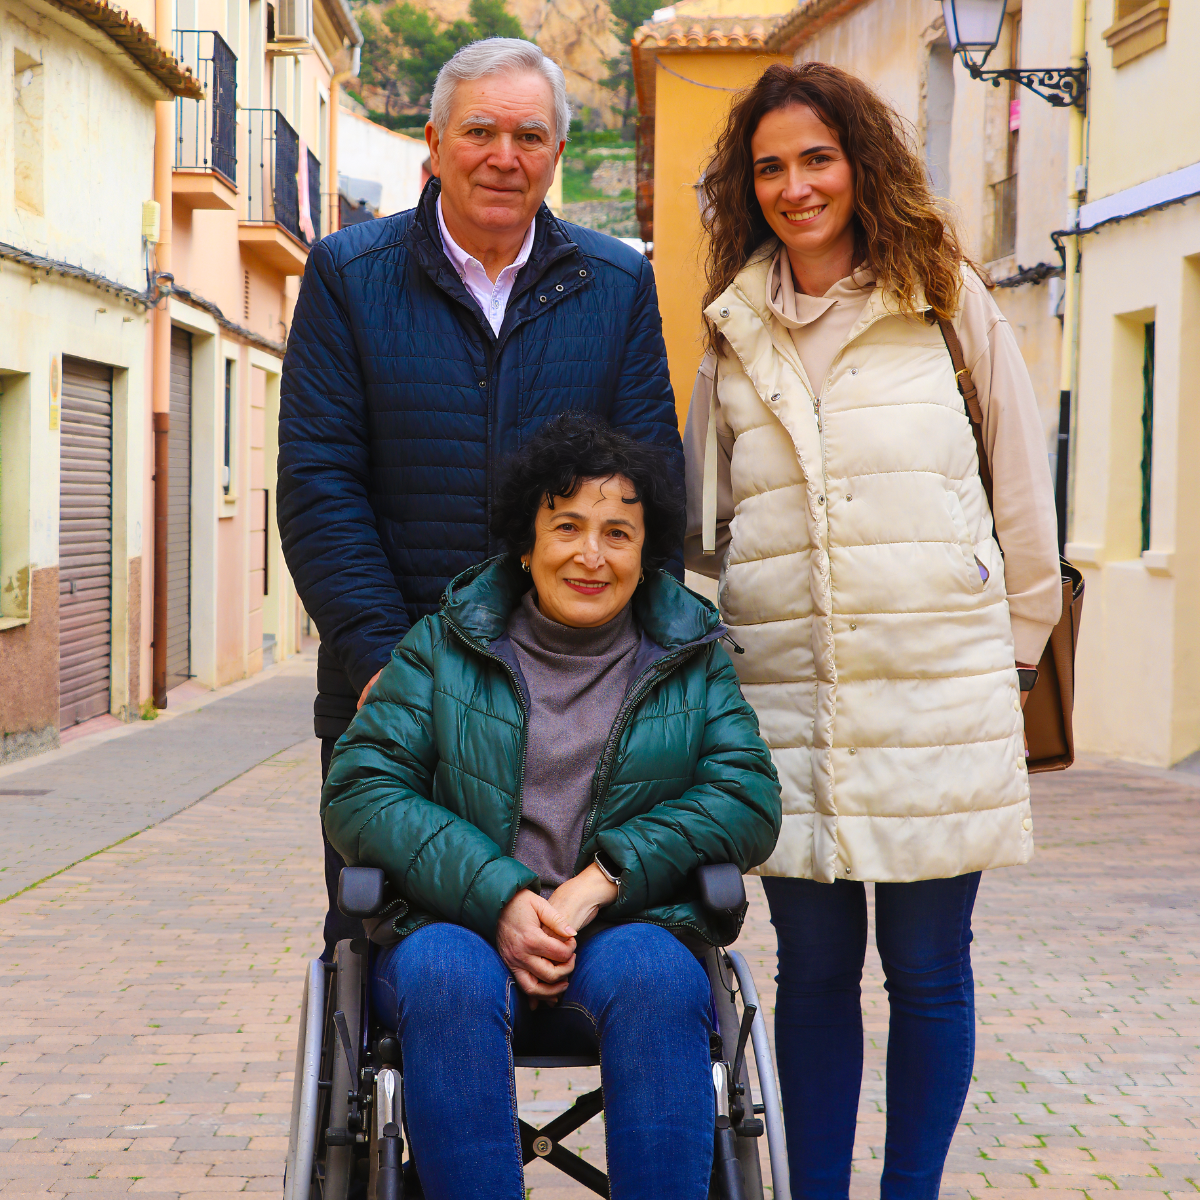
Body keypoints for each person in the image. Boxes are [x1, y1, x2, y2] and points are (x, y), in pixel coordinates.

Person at [682, 62, 1062, 1200]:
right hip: (785, 711)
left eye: (817, 158)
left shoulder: (945, 299)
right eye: (771, 168)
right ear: (749, 190)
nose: (797, 186)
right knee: (812, 975)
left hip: (940, 697)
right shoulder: (733, 331)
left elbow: (1023, 500)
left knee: (931, 971)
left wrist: (1008, 661)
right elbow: (705, 538)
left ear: (860, 165)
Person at [277, 38, 683, 960]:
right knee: (404, 963)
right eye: (481, 131)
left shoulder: (615, 284)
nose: (505, 155)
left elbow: (653, 488)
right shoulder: (349, 274)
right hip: (394, 696)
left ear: (557, 156)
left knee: (602, 963)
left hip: (577, 702)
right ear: (433, 142)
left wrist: (632, 676)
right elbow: (318, 484)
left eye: (530, 135)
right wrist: (383, 661)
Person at [321, 415, 782, 1199]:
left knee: (658, 977)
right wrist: (498, 893)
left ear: (646, 552)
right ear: (526, 544)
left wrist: (599, 880)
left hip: (628, 927)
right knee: (443, 974)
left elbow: (747, 796)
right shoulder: (443, 645)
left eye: (618, 533)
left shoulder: (691, 657)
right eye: (567, 527)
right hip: (457, 929)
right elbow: (362, 783)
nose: (591, 555)